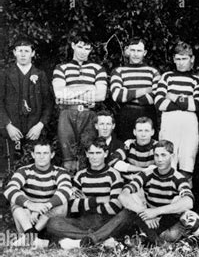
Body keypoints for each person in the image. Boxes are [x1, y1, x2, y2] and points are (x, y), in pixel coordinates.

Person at [46, 137, 125, 249]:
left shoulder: (114, 175)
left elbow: (115, 207)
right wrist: (99, 200)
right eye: (91, 153)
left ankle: (84, 241)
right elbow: (72, 207)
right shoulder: (80, 175)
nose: (94, 157)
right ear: (87, 154)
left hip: (105, 221)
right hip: (84, 221)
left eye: (98, 153)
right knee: (52, 223)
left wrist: (85, 201)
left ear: (106, 154)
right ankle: (96, 239)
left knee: (127, 214)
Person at [115, 139, 194, 245]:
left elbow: (189, 202)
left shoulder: (178, 178)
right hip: (149, 218)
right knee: (129, 205)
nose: (159, 159)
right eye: (156, 155)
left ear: (172, 156)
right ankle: (151, 237)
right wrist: (144, 213)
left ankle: (146, 237)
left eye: (163, 155)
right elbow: (123, 196)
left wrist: (156, 212)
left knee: (172, 233)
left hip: (167, 218)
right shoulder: (147, 174)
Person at [52, 33, 107, 173]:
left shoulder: (98, 69)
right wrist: (89, 88)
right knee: (68, 158)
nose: (83, 52)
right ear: (73, 46)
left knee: (86, 155)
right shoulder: (61, 68)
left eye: (87, 49)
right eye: (80, 47)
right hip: (67, 114)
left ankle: (84, 190)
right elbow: (59, 94)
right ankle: (68, 191)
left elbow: (100, 95)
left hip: (89, 114)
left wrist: (70, 91)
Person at [3, 139, 72, 248]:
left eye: (45, 153)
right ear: (33, 155)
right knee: (15, 198)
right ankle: (31, 234)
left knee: (63, 203)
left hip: (48, 219)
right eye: (38, 153)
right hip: (28, 218)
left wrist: (44, 207)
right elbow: (9, 189)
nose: (42, 156)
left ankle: (30, 236)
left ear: (52, 155)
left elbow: (66, 190)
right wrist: (31, 205)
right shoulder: (24, 170)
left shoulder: (60, 172)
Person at [0, 38, 53, 169]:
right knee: (11, 167)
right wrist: (7, 124)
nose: (23, 54)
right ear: (14, 52)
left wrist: (40, 125)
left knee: (33, 167)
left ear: (33, 53)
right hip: (12, 129)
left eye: (27, 51)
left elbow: (48, 104)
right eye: (20, 51)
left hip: (33, 130)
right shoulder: (5, 74)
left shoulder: (40, 75)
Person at [155, 41, 199, 182]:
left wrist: (173, 97)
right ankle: (167, 194)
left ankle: (185, 196)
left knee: (188, 157)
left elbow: (196, 105)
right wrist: (184, 102)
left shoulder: (196, 80)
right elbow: (159, 103)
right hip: (170, 121)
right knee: (168, 156)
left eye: (184, 59)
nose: (181, 63)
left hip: (189, 122)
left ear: (191, 59)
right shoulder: (167, 77)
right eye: (178, 59)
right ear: (174, 59)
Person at [110, 37, 161, 141]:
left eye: (139, 51)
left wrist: (128, 95)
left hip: (148, 113)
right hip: (126, 114)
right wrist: (146, 90)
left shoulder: (153, 72)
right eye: (133, 50)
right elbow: (117, 95)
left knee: (148, 147)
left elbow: (157, 96)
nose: (135, 54)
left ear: (145, 52)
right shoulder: (119, 71)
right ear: (128, 51)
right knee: (125, 146)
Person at [108, 116, 158, 181]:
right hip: (130, 181)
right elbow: (112, 161)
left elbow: (163, 168)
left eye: (146, 131)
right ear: (134, 132)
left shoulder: (157, 146)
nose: (143, 134)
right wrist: (142, 170)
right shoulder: (129, 145)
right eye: (140, 131)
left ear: (152, 132)